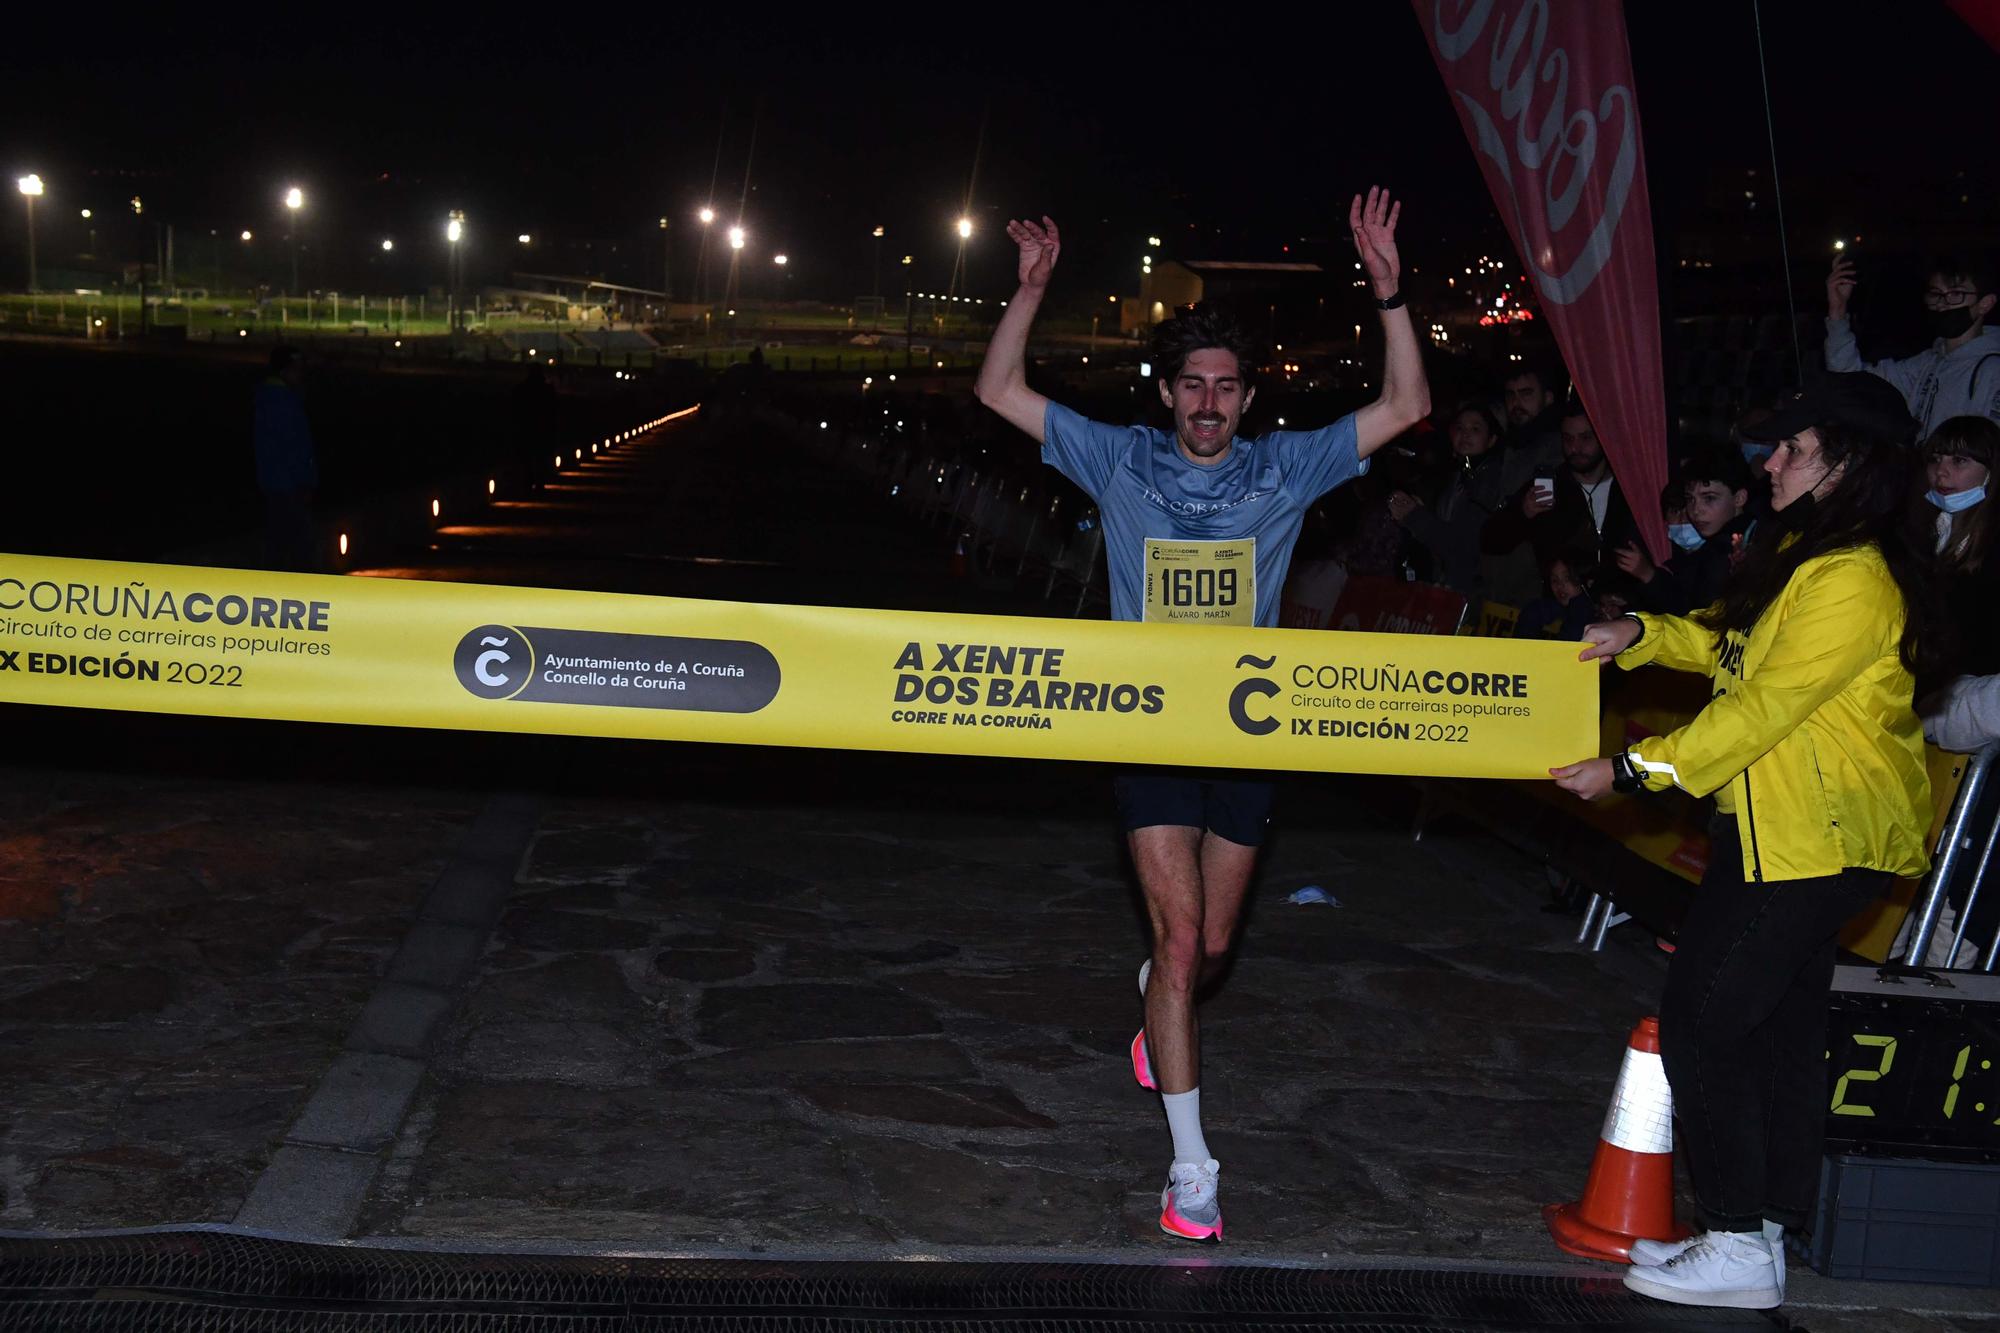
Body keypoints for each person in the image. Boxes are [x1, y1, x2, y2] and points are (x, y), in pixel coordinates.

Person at [973, 190, 1429, 1243]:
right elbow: (997, 388)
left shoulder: (1284, 467)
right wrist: (1030, 291)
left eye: (1226, 386)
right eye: (1191, 385)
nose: (1208, 403)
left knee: (1208, 946)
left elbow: (1405, 405)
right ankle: (1191, 1169)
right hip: (1145, 729)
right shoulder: (1118, 457)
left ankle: (1156, 992)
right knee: (1180, 943)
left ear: (1248, 396)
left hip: (1245, 736)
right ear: (1166, 392)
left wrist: (1389, 291)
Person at [1551, 372, 1938, 1311]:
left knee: (1703, 1018)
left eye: (1791, 449)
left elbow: (1763, 708)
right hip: (1794, 832)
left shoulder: (1851, 577)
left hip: (1816, 837)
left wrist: (1635, 768)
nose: (1770, 462)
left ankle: (1733, 1240)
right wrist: (1639, 631)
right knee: (1776, 1030)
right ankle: (1762, 1227)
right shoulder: (1809, 554)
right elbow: (1732, 648)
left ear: (1845, 462)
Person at [1826, 251, 2000, 438]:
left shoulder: (1993, 370)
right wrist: (1838, 310)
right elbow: (1852, 378)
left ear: (1985, 303)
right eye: (1935, 294)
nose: (1942, 303)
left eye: (1956, 293)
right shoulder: (1925, 364)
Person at [1481, 402, 1641, 595]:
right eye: (1568, 438)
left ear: (1602, 437)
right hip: (1560, 608)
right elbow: (1490, 540)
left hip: (1619, 605)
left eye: (1585, 437)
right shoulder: (1550, 486)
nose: (1575, 447)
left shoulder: (1629, 488)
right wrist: (1522, 513)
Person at [1390, 402, 1538, 601]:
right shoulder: (1457, 476)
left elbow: (1463, 546)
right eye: (1459, 428)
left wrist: (1413, 515)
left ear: (1492, 439)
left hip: (1481, 594)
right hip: (1451, 589)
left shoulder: (1492, 480)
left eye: (1475, 429)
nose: (1465, 434)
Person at [1621, 451, 1757, 615]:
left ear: (1739, 498)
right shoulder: (1715, 547)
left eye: (1709, 498)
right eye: (1690, 499)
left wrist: (1650, 577)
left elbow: (1694, 616)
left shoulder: (1733, 548)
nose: (1695, 510)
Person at [252, 346, 319, 571]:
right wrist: (304, 481)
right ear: (286, 371)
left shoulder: (273, 397)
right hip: (288, 486)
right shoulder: (282, 401)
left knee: (279, 542)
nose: (301, 374)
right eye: (297, 369)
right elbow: (293, 446)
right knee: (298, 546)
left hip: (277, 483)